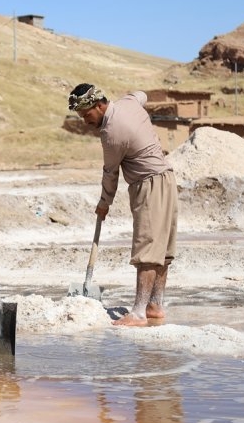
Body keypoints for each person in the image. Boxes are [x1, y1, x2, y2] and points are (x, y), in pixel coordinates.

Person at [67, 84, 178, 326]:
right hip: (167, 179)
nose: (85, 121)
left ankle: (138, 313)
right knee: (161, 252)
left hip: (148, 186)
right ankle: (155, 306)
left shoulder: (111, 133)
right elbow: (142, 94)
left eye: (87, 115)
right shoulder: (129, 102)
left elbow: (110, 174)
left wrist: (103, 203)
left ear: (100, 106)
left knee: (147, 251)